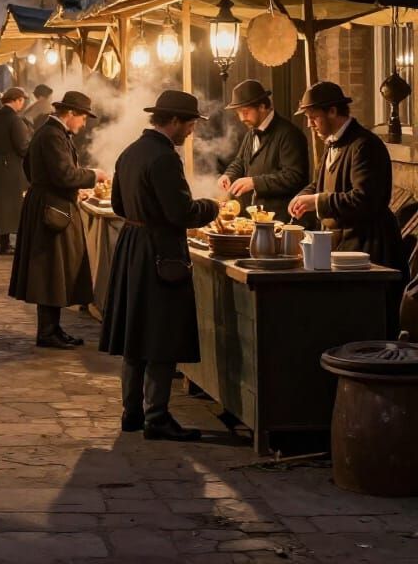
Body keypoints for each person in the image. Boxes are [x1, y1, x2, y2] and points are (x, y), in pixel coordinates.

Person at [100, 90, 219, 441]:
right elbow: (180, 213)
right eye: (190, 124)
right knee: (161, 336)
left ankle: (131, 413)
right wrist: (211, 207)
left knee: (136, 335)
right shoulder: (165, 158)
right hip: (159, 252)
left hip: (133, 246)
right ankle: (157, 417)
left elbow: (118, 205)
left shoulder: (130, 152)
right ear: (175, 121)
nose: (192, 131)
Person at [288, 82, 406, 331]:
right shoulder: (332, 144)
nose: (310, 124)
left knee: (366, 324)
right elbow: (320, 183)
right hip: (341, 247)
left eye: (313, 117)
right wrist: (303, 196)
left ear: (333, 111)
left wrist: (316, 201)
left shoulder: (364, 145)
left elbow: (365, 199)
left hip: (369, 249)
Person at [9, 91, 106, 348]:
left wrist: (66, 188)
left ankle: (53, 328)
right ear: (70, 113)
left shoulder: (52, 132)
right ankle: (47, 332)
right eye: (82, 118)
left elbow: (32, 168)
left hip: (49, 202)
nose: (83, 124)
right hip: (51, 209)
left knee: (55, 271)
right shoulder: (52, 135)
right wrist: (93, 175)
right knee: (50, 270)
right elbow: (65, 175)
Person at [219, 79, 308, 220]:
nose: (242, 118)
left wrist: (255, 183)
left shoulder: (290, 134)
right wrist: (228, 175)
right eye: (238, 113)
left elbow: (294, 177)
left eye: (245, 112)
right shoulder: (251, 132)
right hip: (254, 218)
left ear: (262, 106)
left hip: (281, 220)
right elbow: (240, 162)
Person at [0, 86, 33, 255]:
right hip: (12, 167)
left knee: (1, 207)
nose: (23, 104)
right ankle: (17, 244)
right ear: (17, 100)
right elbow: (23, 147)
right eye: (22, 100)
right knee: (16, 206)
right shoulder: (15, 120)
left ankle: (3, 243)